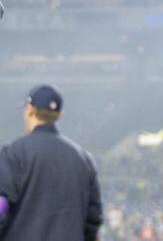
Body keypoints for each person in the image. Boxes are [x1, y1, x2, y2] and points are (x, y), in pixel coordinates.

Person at [0, 85, 102, 241]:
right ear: (59, 114)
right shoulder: (83, 159)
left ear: (29, 109)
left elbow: (1, 204)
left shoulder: (14, 154)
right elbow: (93, 218)